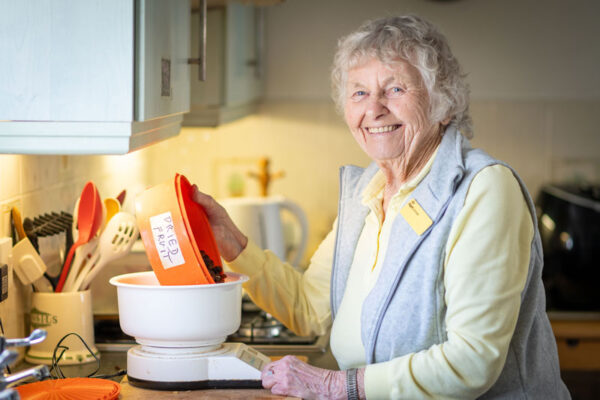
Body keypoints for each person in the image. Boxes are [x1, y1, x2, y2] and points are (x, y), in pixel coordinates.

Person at [193, 15, 570, 400]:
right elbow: (309, 306)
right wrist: (232, 244)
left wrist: (336, 385)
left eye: (394, 89)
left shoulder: (483, 189)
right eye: (358, 93)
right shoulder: (369, 190)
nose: (373, 109)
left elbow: (472, 361)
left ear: (443, 102)